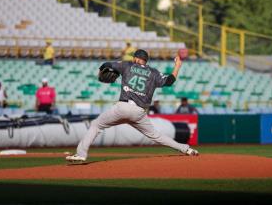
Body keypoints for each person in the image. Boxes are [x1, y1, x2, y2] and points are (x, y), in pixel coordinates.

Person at [66, 49, 198, 162]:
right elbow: (169, 81)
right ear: (146, 60)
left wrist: (100, 73)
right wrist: (177, 66)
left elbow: (106, 64)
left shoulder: (127, 65)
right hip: (139, 112)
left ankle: (81, 154)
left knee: (96, 125)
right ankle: (186, 149)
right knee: (156, 136)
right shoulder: (154, 73)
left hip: (122, 108)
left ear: (135, 58)